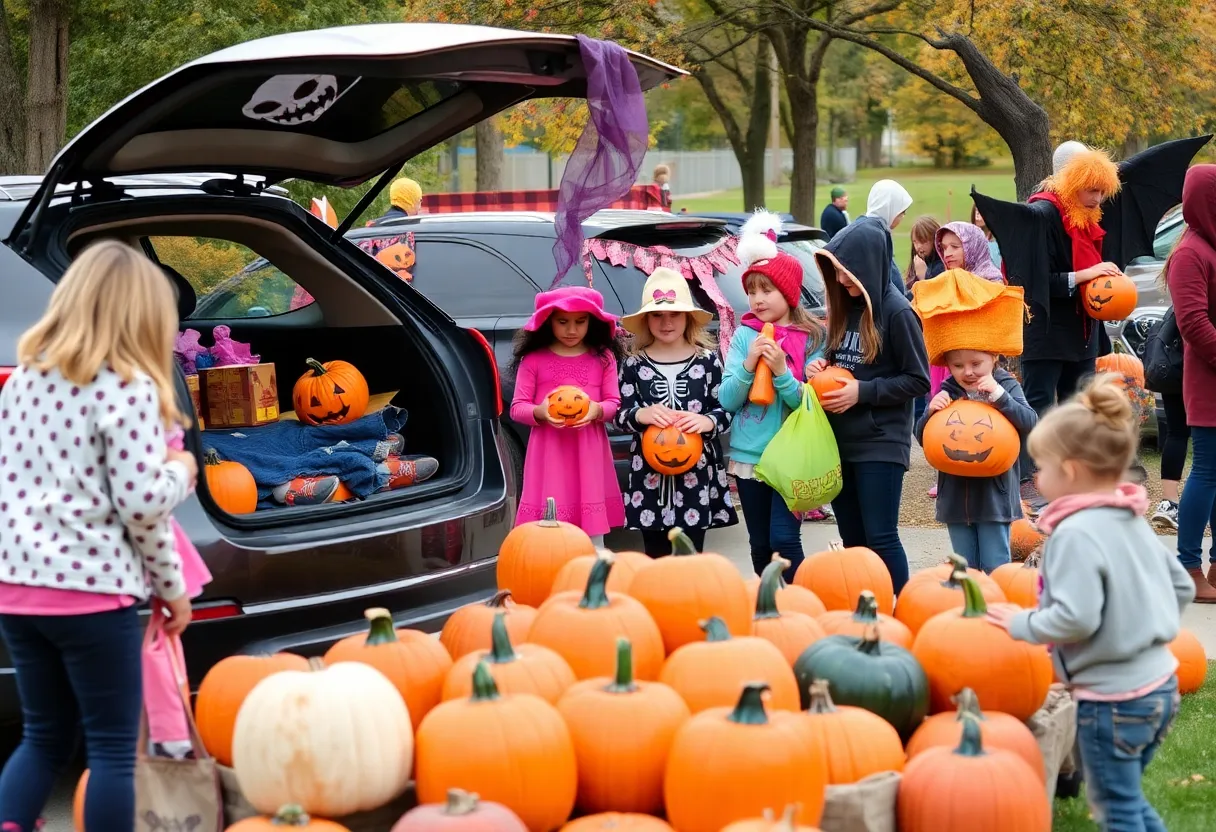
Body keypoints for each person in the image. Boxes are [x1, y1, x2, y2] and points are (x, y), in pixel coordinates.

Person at [0, 240, 199, 832]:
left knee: (43, 737)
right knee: (113, 748)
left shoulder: (21, 386)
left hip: (15, 591)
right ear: (144, 319)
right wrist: (180, 473)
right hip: (92, 595)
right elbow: (141, 508)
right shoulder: (128, 390)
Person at [988, 374, 1195, 830]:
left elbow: (1076, 618)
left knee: (1116, 810)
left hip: (1113, 700)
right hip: (1159, 684)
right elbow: (1181, 586)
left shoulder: (1074, 535)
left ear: (1073, 470)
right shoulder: (1131, 518)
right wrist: (1143, 626)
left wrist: (1022, 623)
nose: (1035, 478)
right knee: (1129, 800)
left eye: (1041, 467)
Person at [973, 137, 1209, 514]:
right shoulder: (1042, 215)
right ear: (1070, 179)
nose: (1099, 199)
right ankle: (1028, 478)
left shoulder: (1092, 216)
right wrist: (1087, 275)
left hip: (1083, 332)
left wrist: (1106, 280)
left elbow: (1096, 272)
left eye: (1103, 191)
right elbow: (1037, 283)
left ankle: (1070, 478)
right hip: (1046, 330)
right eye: (1092, 190)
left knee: (1075, 407)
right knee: (1037, 406)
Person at [809, 219, 930, 594]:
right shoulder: (846, 308)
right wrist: (820, 366)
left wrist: (863, 392)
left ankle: (902, 606)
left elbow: (918, 380)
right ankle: (866, 607)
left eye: (847, 272)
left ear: (868, 264)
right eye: (837, 273)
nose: (842, 281)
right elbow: (840, 361)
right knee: (852, 538)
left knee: (880, 536)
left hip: (880, 442)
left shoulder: (897, 313)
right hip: (840, 441)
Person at [719, 210, 826, 581]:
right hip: (751, 455)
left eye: (767, 290)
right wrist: (749, 366)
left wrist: (781, 372)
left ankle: (797, 601)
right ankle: (769, 604)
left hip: (791, 457)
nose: (757, 299)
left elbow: (807, 405)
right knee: (759, 543)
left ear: (789, 292)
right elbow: (728, 399)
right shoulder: (744, 335)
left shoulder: (812, 339)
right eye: (751, 290)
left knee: (784, 538)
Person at [911, 270, 1036, 573]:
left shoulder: (1005, 385)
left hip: (995, 496)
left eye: (976, 364)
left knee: (996, 565)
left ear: (994, 357)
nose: (967, 372)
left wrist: (999, 397)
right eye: (957, 365)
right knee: (965, 567)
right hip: (955, 496)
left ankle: (996, 614)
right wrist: (930, 414)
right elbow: (922, 437)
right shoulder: (949, 390)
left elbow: (1030, 423)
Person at [616, 268, 738, 555]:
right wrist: (639, 415)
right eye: (657, 315)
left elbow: (727, 409)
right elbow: (620, 414)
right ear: (646, 320)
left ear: (688, 318)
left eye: (675, 314)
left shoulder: (707, 361)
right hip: (648, 477)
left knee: (690, 555)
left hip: (697, 475)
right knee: (654, 556)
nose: (666, 322)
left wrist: (707, 421)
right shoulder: (634, 364)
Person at [509, 286, 625, 545]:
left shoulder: (603, 358)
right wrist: (539, 412)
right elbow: (517, 408)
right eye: (563, 322)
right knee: (550, 535)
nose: (572, 330)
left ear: (591, 322)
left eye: (580, 322)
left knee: (593, 538)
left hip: (589, 453)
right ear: (548, 321)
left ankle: (591, 576)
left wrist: (596, 410)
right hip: (548, 455)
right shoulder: (533, 360)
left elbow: (614, 404)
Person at [1165, 163, 1216, 602]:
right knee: (1206, 471)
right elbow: (1194, 324)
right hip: (1208, 380)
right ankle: (1188, 566)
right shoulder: (1190, 254)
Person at [862, 179, 914, 296]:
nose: (903, 216)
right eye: (902, 212)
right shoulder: (874, 236)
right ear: (889, 208)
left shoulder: (876, 232)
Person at [905, 215, 945, 292]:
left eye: (923, 241)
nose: (918, 246)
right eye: (915, 242)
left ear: (934, 239)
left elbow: (936, 296)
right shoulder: (918, 262)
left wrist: (923, 276)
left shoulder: (941, 267)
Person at [971, 203, 1002, 269]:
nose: (977, 215)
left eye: (980, 211)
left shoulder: (998, 242)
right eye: (976, 211)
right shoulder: (969, 239)